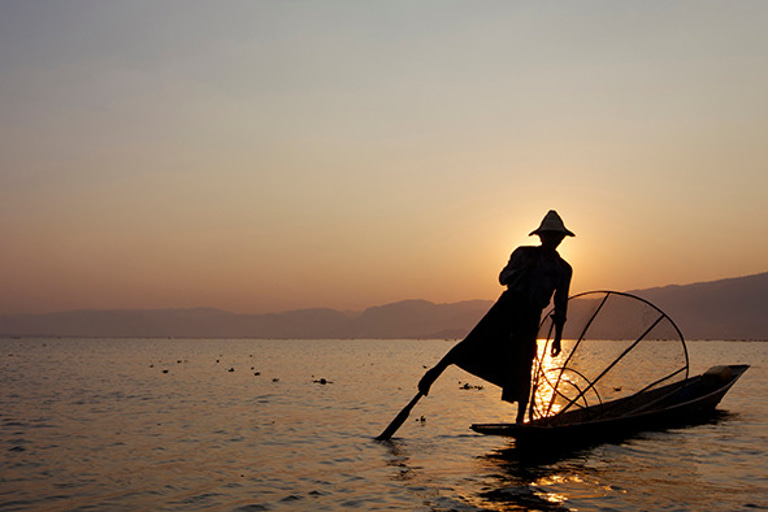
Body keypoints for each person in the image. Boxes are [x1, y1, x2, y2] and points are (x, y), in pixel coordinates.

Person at [418, 210, 574, 423]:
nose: (552, 240)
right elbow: (503, 278)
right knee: (474, 342)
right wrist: (522, 271)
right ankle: (433, 374)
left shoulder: (563, 269)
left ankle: (520, 419)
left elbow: (561, 304)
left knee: (524, 363)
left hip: (530, 315)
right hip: (508, 306)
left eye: (556, 236)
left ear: (562, 238)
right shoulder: (523, 254)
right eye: (548, 235)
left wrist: (558, 338)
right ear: (540, 236)